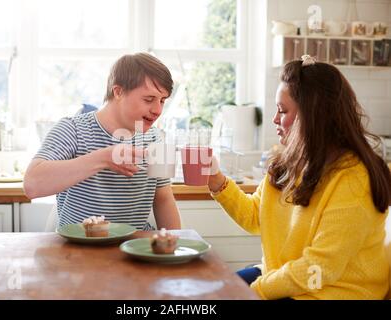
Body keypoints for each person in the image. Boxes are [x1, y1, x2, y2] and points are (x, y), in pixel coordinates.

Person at [208, 55, 391, 300]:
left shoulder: (353, 179)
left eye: (282, 111)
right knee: (214, 294)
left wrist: (257, 291)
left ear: (314, 116)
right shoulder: (289, 163)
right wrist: (216, 181)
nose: (274, 119)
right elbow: (255, 216)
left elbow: (320, 268)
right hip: (292, 278)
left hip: (335, 292)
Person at [24, 53, 181, 231]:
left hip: (135, 247)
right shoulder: (73, 129)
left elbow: (163, 198)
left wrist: (173, 245)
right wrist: (104, 158)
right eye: (149, 99)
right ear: (118, 92)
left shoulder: (155, 137)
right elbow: (31, 185)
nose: (158, 110)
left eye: (162, 100)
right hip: (80, 250)